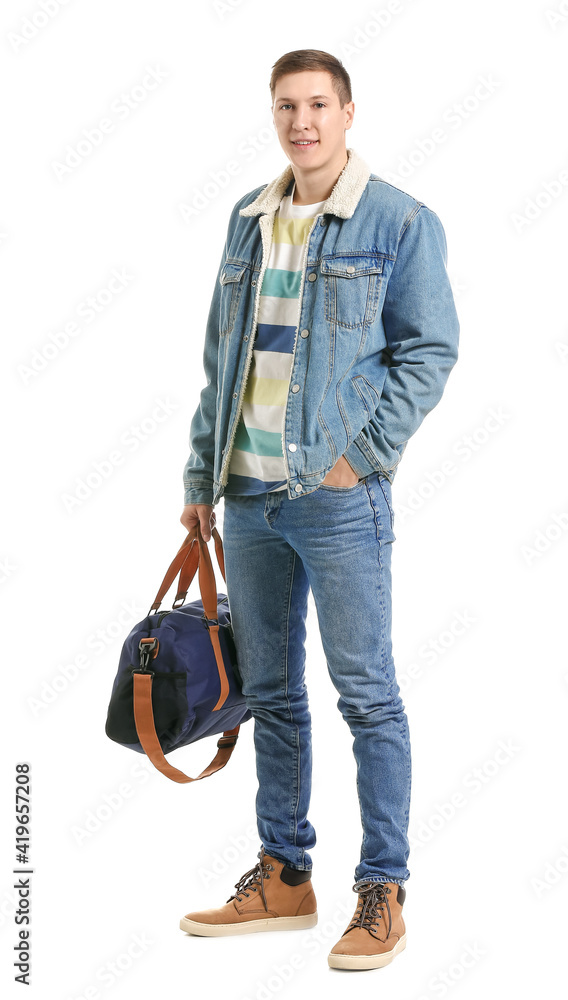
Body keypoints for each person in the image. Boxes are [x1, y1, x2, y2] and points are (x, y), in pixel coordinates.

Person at [178, 48, 459, 971]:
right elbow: (223, 366)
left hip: (338, 502)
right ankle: (284, 874)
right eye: (287, 107)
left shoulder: (400, 221)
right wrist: (198, 486)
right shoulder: (249, 218)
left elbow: (430, 351)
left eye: (317, 106)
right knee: (271, 695)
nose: (302, 122)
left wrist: (361, 458)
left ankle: (382, 890)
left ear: (347, 113)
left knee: (366, 694)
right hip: (248, 498)